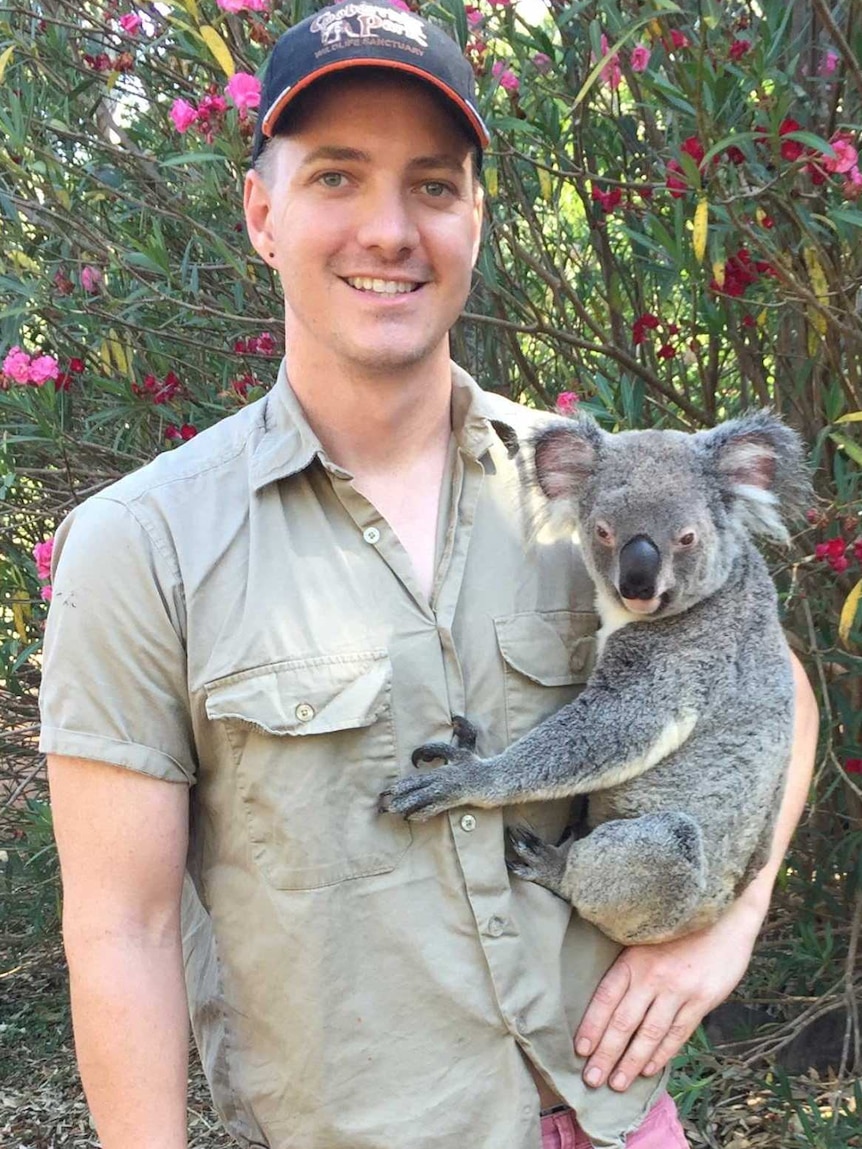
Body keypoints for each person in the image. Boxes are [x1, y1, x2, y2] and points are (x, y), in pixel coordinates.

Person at [40, 4, 818, 1148]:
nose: (390, 230)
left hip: (608, 1119)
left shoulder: (590, 487)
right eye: (337, 178)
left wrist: (728, 919)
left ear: (475, 219)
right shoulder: (144, 544)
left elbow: (771, 689)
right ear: (262, 212)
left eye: (433, 186)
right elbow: (122, 928)